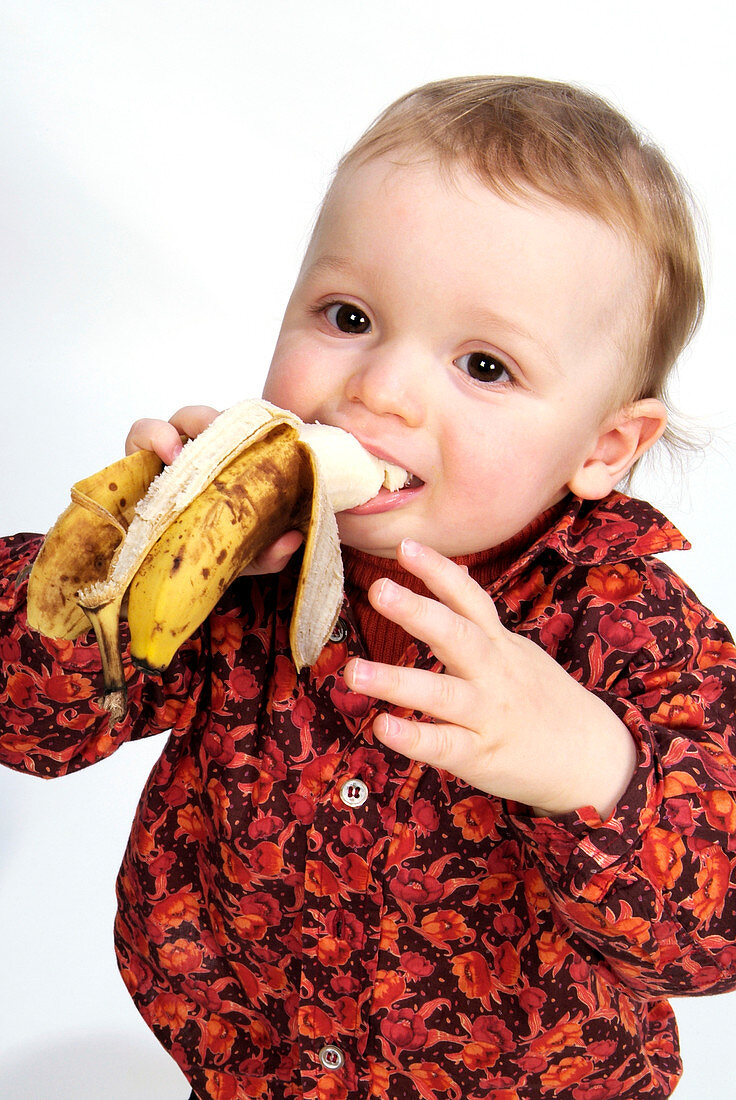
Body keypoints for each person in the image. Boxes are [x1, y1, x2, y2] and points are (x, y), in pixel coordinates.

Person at [2, 75, 735, 1100]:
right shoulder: (239, 568)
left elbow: (710, 936)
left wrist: (590, 759)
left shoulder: (625, 620)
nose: (378, 389)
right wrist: (108, 566)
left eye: (483, 365)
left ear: (606, 446)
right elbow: (30, 726)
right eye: (347, 314)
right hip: (253, 1072)